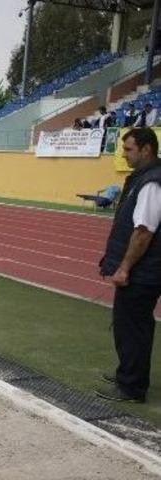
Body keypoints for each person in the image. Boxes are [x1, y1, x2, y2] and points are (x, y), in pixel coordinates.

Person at [96, 128, 161, 403]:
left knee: (132, 326)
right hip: (145, 269)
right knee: (130, 325)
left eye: (129, 149)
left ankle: (131, 386)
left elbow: (144, 230)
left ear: (146, 149)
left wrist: (124, 268)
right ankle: (129, 372)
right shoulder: (143, 178)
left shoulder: (151, 183)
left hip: (143, 271)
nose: (124, 154)